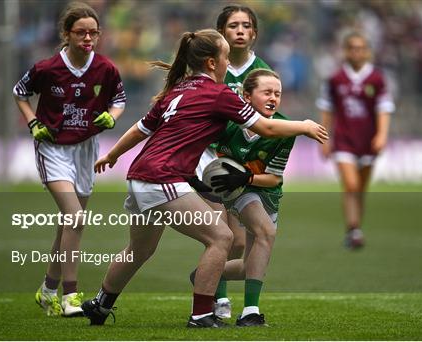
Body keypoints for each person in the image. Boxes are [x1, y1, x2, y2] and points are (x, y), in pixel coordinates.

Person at [81, 29, 328, 328]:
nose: (227, 63)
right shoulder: (219, 94)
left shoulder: (177, 91)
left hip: (140, 174)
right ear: (212, 63)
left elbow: (139, 129)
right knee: (221, 237)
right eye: (224, 57)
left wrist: (114, 155)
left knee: (140, 249)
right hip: (163, 178)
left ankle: (100, 304)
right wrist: (303, 125)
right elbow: (267, 128)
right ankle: (200, 315)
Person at [12, 2, 126, 316]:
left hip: (86, 148)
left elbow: (119, 99)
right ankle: (70, 296)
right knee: (75, 218)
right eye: (80, 32)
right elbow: (20, 92)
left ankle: (48, 289)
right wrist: (33, 122)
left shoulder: (106, 68)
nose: (87, 38)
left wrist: (111, 117)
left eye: (93, 32)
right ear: (67, 34)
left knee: (69, 224)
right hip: (53, 147)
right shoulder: (47, 68)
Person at [191, 4, 273, 320]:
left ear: (254, 33)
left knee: (238, 242)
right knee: (221, 235)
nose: (240, 30)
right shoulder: (210, 67)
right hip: (208, 157)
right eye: (233, 25)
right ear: (222, 32)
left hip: (240, 164)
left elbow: (269, 115)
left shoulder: (263, 71)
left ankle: (208, 280)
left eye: (246, 25)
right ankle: (217, 301)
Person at [212, 68, 295, 326]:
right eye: (267, 92)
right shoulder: (228, 124)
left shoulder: (284, 130)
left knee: (250, 266)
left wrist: (246, 177)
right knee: (266, 233)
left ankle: (206, 273)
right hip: (235, 191)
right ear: (246, 96)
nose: (273, 98)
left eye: (278, 94)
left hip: (265, 192)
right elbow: (212, 156)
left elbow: (274, 178)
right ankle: (250, 312)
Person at [316, 32, 394, 249]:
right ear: (346, 51)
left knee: (360, 188)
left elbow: (384, 109)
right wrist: (324, 139)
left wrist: (382, 135)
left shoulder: (376, 79)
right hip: (344, 140)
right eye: (353, 48)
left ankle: (356, 228)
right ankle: (353, 229)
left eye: (361, 48)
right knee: (351, 185)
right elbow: (326, 109)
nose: (357, 52)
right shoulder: (335, 79)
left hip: (368, 141)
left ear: (367, 51)